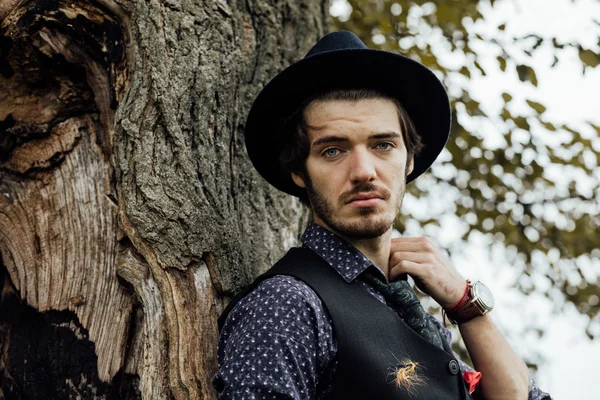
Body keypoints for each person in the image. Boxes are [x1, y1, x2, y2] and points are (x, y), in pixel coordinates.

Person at [212, 31, 551, 400]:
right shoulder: (288, 304)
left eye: (383, 145)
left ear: (408, 160)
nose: (363, 171)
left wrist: (464, 304)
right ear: (299, 171)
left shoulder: (405, 307)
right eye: (332, 151)